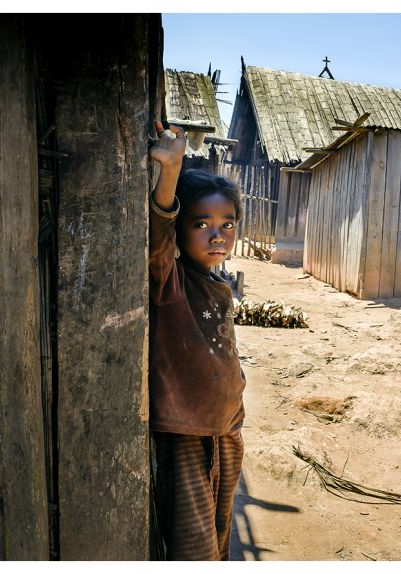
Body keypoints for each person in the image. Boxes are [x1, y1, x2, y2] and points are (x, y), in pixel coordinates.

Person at [147, 120, 246, 560]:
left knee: (220, 538)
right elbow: (157, 239)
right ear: (180, 229)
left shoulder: (217, 282)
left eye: (227, 223)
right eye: (201, 223)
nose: (217, 234)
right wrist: (170, 171)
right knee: (194, 548)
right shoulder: (171, 281)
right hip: (185, 434)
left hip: (226, 430)